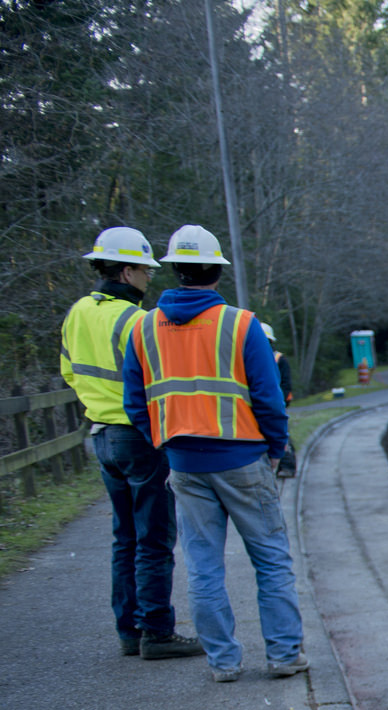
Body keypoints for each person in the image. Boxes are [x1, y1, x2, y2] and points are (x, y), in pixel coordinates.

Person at [121, 224, 304, 684]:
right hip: (243, 459)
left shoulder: (143, 328)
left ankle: (223, 662)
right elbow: (268, 397)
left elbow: (134, 402)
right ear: (216, 272)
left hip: (183, 463)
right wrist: (275, 449)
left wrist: (164, 442)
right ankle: (284, 656)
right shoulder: (240, 324)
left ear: (175, 270)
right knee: (271, 559)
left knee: (203, 566)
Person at [60, 227, 202, 661]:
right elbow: (155, 382)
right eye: (144, 269)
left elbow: (69, 371)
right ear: (126, 270)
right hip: (138, 436)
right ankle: (156, 630)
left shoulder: (76, 313)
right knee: (154, 537)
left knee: (125, 537)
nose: (149, 278)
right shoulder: (135, 321)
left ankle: (129, 630)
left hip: (101, 435)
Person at [264, 322, 297, 478]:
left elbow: (285, 383)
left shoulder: (278, 359)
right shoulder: (254, 357)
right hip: (268, 400)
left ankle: (288, 466)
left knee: (282, 432)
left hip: (279, 401)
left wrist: (279, 401)